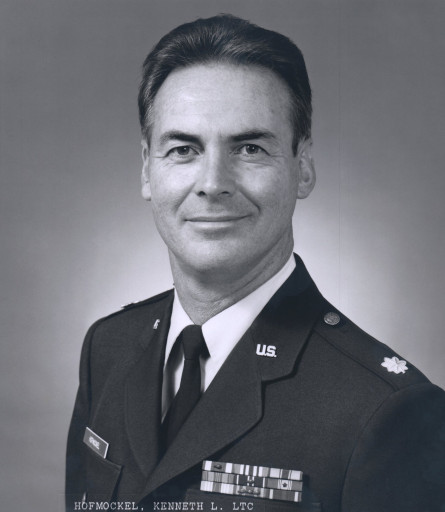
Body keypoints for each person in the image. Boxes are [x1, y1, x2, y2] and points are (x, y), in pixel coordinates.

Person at [66, 14, 445, 512]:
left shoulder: (385, 409)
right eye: (183, 149)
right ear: (147, 169)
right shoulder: (108, 348)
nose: (212, 183)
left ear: (302, 168)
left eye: (249, 148)